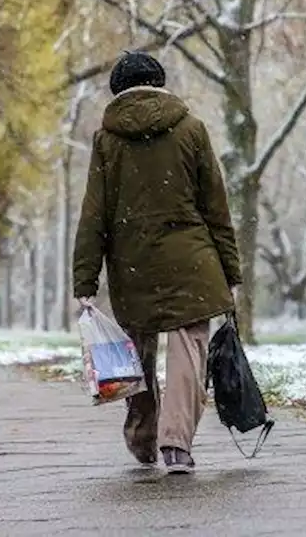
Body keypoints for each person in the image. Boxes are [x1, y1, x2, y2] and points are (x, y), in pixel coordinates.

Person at [72, 50, 241, 474]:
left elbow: (96, 213)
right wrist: (230, 269)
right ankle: (176, 443)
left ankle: (143, 435)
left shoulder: (107, 140)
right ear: (160, 83)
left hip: (133, 263)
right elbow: (215, 207)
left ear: (118, 92)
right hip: (192, 260)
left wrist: (85, 277)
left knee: (137, 353)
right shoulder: (191, 129)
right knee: (188, 348)